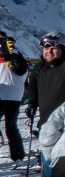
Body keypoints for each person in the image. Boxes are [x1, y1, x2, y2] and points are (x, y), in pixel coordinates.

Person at [0, 35, 28, 164]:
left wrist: (10, 58)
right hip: (14, 96)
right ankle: (17, 155)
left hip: (5, 95)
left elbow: (21, 72)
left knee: (11, 127)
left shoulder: (12, 58)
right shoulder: (18, 58)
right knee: (11, 127)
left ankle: (17, 155)